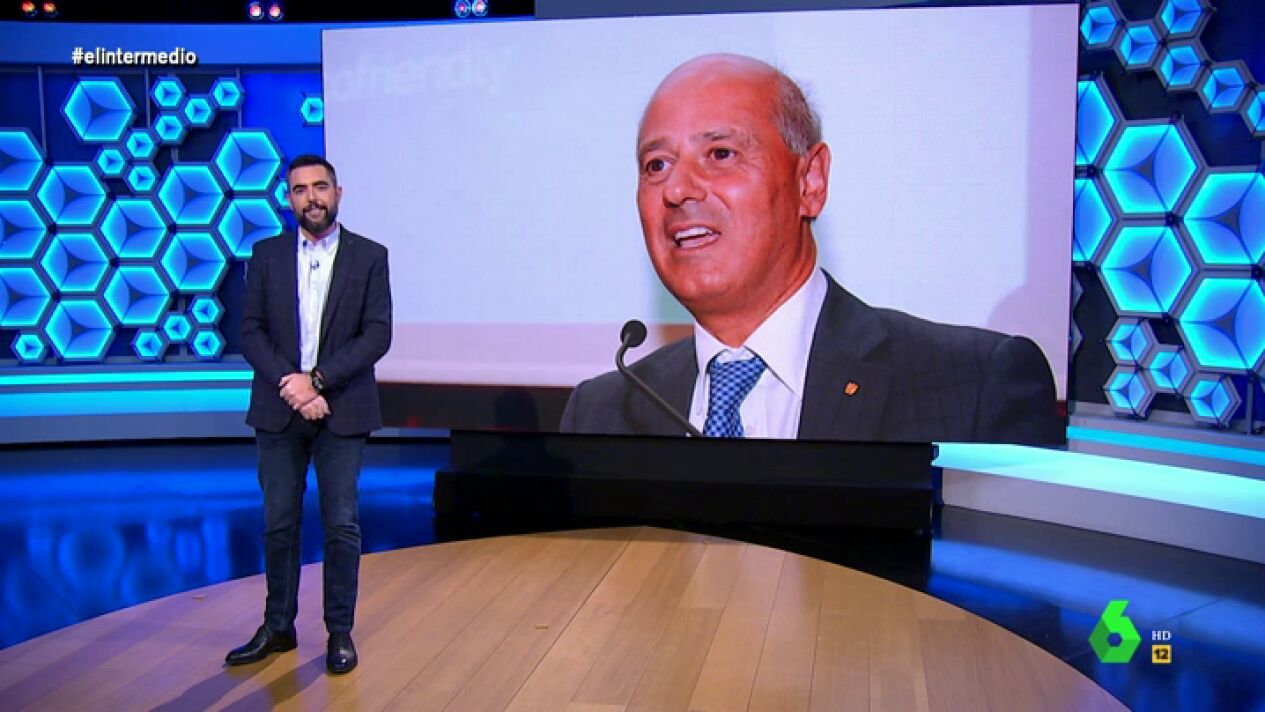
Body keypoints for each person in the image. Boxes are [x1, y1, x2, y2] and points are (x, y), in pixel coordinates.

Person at [560, 54, 1061, 444]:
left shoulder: (973, 385)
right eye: (656, 165)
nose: (677, 190)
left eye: (720, 153)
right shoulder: (602, 412)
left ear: (810, 181)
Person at [228, 155, 392, 674]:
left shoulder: (370, 256)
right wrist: (294, 386)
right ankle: (278, 626)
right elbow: (250, 331)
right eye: (300, 189)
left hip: (343, 409)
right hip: (279, 409)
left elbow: (377, 334)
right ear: (289, 198)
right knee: (279, 523)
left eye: (320, 187)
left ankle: (339, 632)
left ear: (338, 193)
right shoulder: (266, 255)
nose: (311, 197)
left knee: (340, 524)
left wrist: (317, 381)